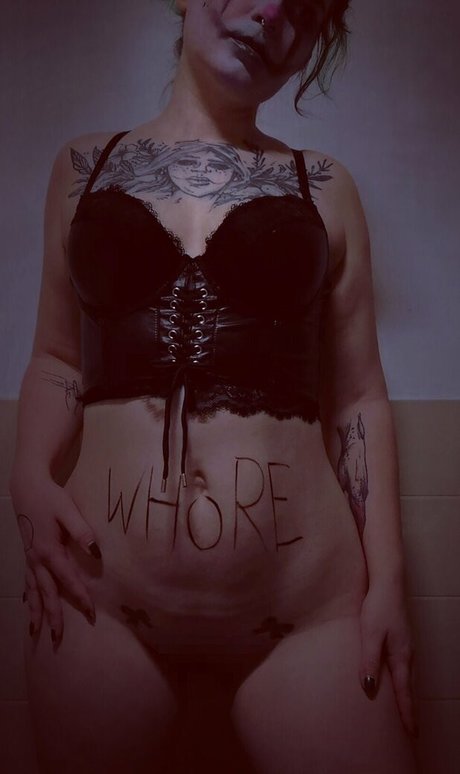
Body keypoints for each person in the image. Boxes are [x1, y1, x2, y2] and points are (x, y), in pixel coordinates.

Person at [9, 1, 419, 772]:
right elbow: (58, 359)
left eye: (305, 11)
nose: (271, 12)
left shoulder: (326, 188)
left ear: (310, 47)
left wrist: (390, 581)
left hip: (305, 619)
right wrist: (27, 474)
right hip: (104, 610)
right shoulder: (82, 166)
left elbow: (358, 399)